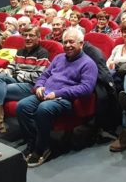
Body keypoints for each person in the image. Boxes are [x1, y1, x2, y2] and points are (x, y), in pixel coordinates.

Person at [17, 28, 98, 167]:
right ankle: (34, 143)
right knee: (22, 106)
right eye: (65, 42)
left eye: (71, 42)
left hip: (65, 100)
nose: (67, 45)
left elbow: (86, 88)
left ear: (81, 43)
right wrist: (39, 86)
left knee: (44, 108)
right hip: (45, 93)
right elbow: (45, 75)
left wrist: (58, 93)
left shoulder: (88, 63)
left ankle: (41, 149)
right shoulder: (59, 58)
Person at [0, 25, 50, 134]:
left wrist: (17, 76)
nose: (28, 38)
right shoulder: (20, 51)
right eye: (25, 35)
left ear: (38, 38)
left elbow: (38, 76)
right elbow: (11, 67)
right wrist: (4, 71)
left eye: (31, 35)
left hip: (30, 86)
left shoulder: (42, 53)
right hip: (17, 82)